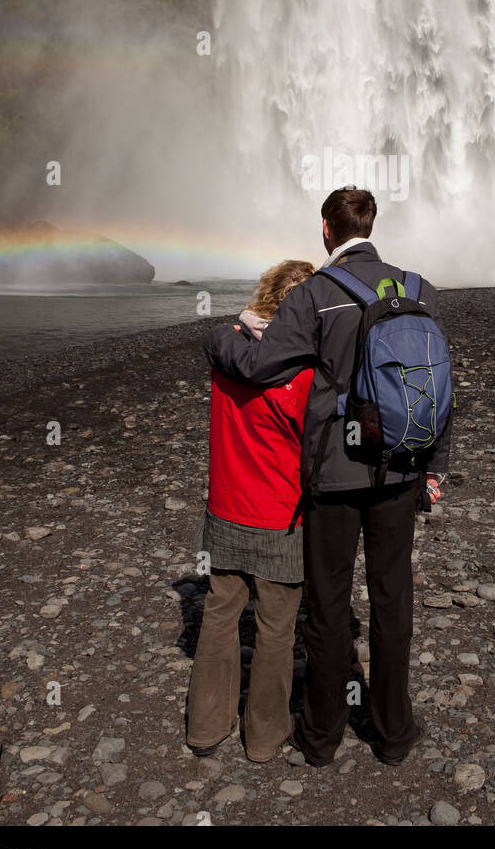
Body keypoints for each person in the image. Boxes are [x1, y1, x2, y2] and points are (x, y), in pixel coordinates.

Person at [204, 187, 451, 767]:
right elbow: (439, 388)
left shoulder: (315, 294)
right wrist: (435, 469)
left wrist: (221, 338)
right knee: (393, 602)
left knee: (329, 604)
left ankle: (321, 736)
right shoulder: (420, 289)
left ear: (326, 230)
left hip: (337, 476)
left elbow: (260, 365)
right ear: (371, 224)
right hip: (400, 468)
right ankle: (393, 733)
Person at [186, 259, 315, 764]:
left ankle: (204, 726)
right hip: (281, 516)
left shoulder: (228, 354)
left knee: (219, 616)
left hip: (225, 508)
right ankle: (263, 738)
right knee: (276, 628)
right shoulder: (303, 373)